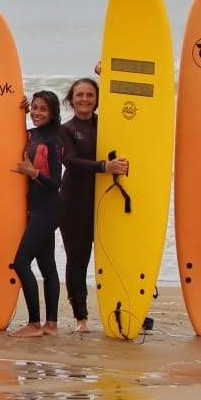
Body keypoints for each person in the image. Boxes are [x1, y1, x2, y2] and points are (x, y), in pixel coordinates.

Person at [58, 77, 129, 333]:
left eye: (90, 95)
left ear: (98, 99)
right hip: (73, 203)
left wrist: (107, 73)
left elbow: (124, 102)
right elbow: (71, 162)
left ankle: (122, 310)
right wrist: (104, 167)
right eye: (79, 95)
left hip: (106, 201)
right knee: (78, 260)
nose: (85, 99)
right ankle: (81, 318)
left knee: (115, 258)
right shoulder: (65, 130)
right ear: (71, 99)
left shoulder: (107, 124)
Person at [10, 91, 65, 337]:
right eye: (34, 107)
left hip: (49, 208)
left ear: (52, 113)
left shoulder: (53, 141)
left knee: (21, 262)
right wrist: (18, 113)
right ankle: (50, 325)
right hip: (37, 208)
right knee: (47, 266)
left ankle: (34, 323)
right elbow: (14, 135)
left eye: (43, 109)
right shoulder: (32, 135)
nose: (37, 112)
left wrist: (33, 174)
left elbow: (56, 182)